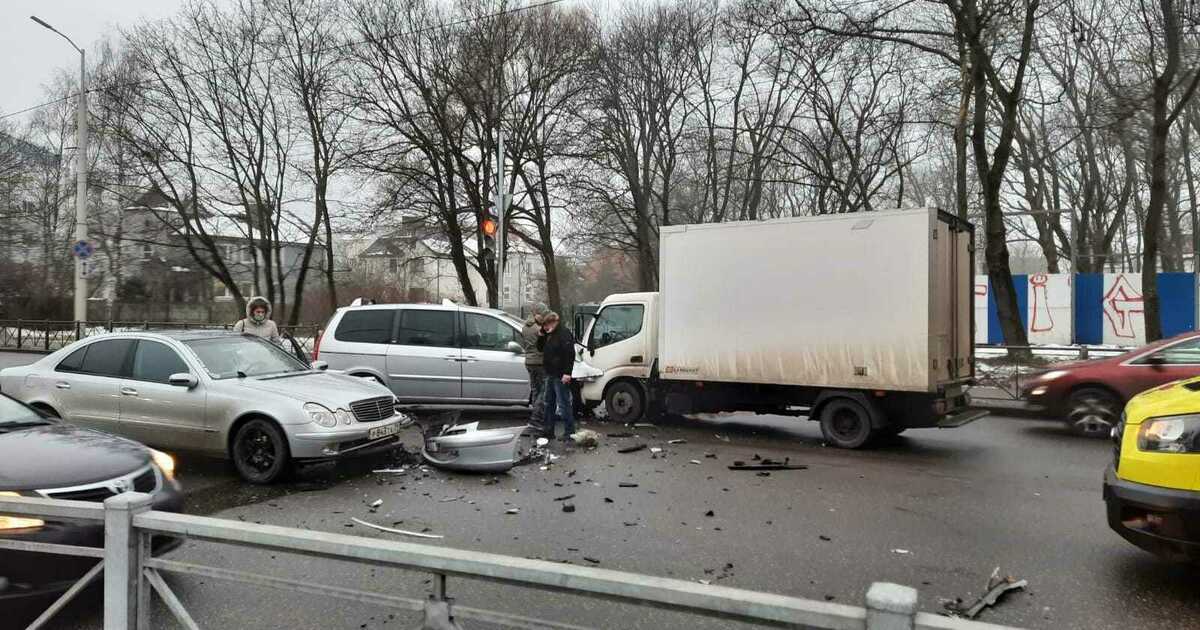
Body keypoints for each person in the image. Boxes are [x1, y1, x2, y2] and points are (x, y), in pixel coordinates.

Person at [537, 311, 576, 440]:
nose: (546, 327)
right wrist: (542, 335)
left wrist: (567, 373)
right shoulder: (550, 334)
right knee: (549, 403)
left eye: (547, 324)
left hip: (560, 374)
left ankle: (569, 432)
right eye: (544, 325)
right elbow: (540, 348)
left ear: (555, 322)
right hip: (550, 373)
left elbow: (569, 354)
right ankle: (549, 430)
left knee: (563, 403)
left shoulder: (563, 334)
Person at [522, 303, 550, 431]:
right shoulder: (538, 329)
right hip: (539, 362)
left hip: (529, 362)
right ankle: (535, 419)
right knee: (543, 392)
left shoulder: (525, 327)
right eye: (543, 313)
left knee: (535, 390)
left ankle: (536, 418)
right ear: (538, 314)